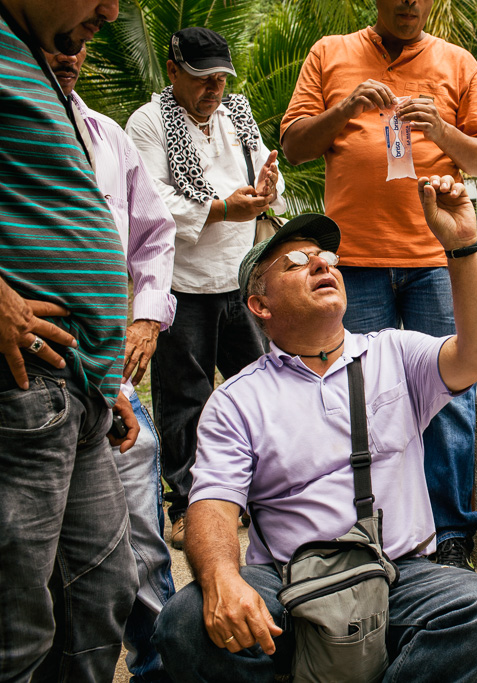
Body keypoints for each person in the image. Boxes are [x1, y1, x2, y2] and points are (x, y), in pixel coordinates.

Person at [151, 175, 477, 682]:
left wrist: (461, 246)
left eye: (327, 258)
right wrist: (221, 579)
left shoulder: (395, 351)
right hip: (286, 583)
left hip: (399, 574)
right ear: (260, 306)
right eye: (298, 262)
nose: (323, 263)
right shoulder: (236, 399)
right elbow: (212, 504)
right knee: (183, 624)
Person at [279, 0, 477, 570]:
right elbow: (294, 144)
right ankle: (368, 528)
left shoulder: (457, 62)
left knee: (451, 395)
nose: (410, 3)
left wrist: (443, 130)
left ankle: (451, 535)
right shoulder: (330, 52)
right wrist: (346, 108)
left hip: (435, 260)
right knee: (361, 399)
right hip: (352, 262)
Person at [0, 0, 142, 680]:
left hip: (78, 389)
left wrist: (102, 376)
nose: (109, 12)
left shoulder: (29, 56)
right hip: (22, 388)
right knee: (14, 627)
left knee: (102, 595)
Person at [126, 26, 286, 550]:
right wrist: (221, 209)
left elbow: (271, 180)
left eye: (220, 77)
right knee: (185, 398)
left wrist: (267, 188)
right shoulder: (149, 122)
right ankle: (189, 505)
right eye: (201, 77)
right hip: (183, 282)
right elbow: (151, 203)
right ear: (173, 72)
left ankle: (265, 492)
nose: (213, 88)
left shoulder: (237, 114)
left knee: (260, 385)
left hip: (242, 277)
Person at [47, 45, 178, 683]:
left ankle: (162, 663)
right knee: (40, 567)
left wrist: (148, 314)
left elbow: (153, 233)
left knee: (138, 548)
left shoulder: (108, 136)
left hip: (110, 383)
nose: (70, 52)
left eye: (79, 43)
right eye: (57, 40)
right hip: (32, 381)